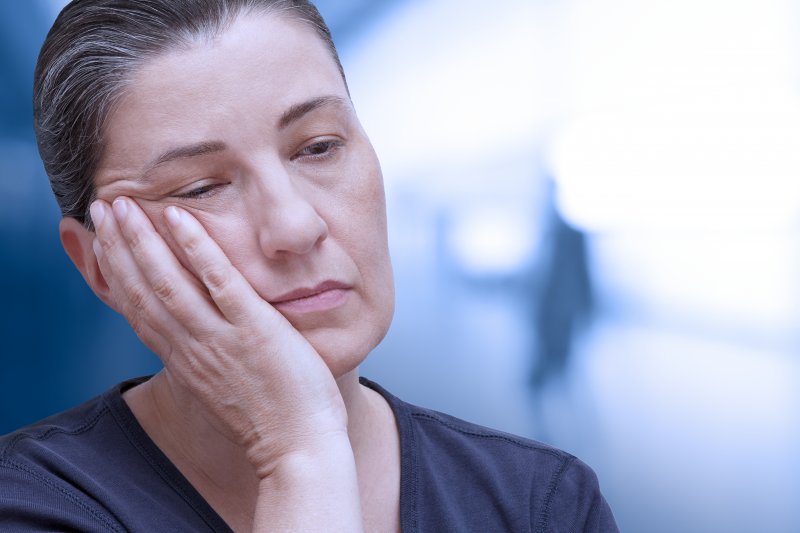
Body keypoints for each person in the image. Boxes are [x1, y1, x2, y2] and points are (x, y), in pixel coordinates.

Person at [0, 1, 619, 531]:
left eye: (319, 147)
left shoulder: (540, 503)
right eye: (200, 188)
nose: (295, 227)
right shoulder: (33, 507)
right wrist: (299, 460)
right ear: (98, 265)